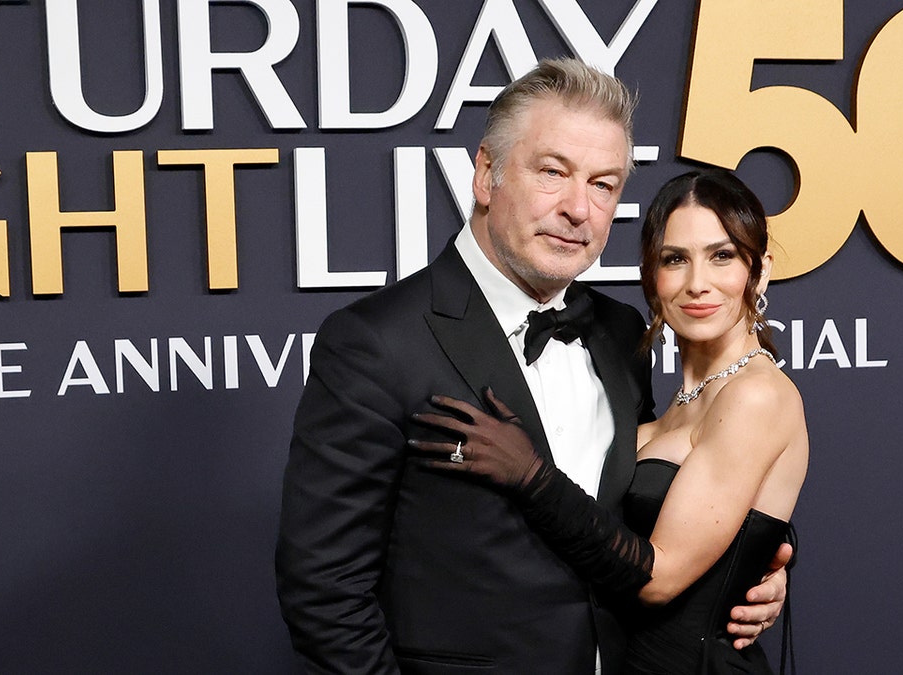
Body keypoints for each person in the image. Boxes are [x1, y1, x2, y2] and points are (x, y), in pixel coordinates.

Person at [275, 59, 791, 674]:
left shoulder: (619, 331)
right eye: (553, 172)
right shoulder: (377, 342)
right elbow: (323, 590)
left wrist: (739, 581)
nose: (579, 208)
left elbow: (639, 526)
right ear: (487, 174)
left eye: (603, 185)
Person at [410, 169, 808, 674]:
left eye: (722, 256)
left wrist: (531, 476)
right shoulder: (670, 391)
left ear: (761, 270)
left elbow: (659, 577)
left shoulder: (756, 396)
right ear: (650, 275)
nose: (697, 283)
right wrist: (766, 555)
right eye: (674, 259)